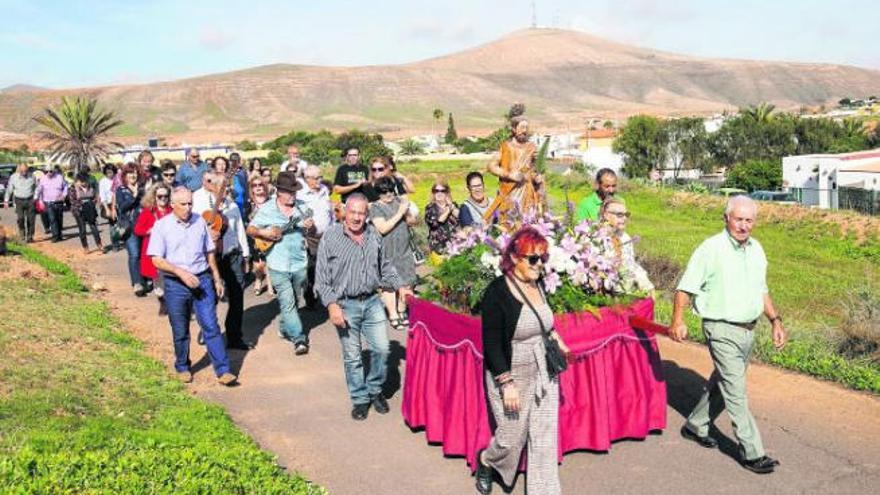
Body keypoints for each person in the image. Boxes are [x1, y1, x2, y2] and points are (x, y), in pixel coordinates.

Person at [670, 195, 787, 475]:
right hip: (720, 328)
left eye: (749, 220)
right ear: (726, 218)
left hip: (748, 330)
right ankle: (753, 453)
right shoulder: (711, 249)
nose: (743, 226)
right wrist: (677, 320)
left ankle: (696, 425)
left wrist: (775, 320)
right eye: (738, 219)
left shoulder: (757, 249)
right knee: (736, 391)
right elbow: (685, 288)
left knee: (724, 383)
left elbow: (762, 290)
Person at [475, 226, 569, 495]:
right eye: (533, 259)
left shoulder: (537, 284)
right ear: (515, 258)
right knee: (511, 436)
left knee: (544, 434)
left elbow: (544, 322)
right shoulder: (497, 292)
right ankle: (487, 460)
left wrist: (556, 338)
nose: (539, 265)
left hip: (543, 368)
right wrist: (507, 383)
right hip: (511, 371)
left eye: (543, 258)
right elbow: (492, 344)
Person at [315, 193, 412, 420]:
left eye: (361, 213)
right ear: (344, 213)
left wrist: (401, 287)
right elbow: (321, 279)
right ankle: (359, 399)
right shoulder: (330, 237)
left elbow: (385, 266)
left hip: (371, 301)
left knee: (381, 349)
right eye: (353, 212)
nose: (357, 218)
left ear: (366, 214)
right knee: (353, 356)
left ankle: (374, 390)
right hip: (344, 304)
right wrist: (331, 305)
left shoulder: (373, 235)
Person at [148, 186, 237, 386]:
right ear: (172, 205)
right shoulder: (162, 226)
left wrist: (216, 277)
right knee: (180, 329)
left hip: (202, 279)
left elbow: (209, 252)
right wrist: (180, 273)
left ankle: (223, 370)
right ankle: (182, 366)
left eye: (190, 203)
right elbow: (156, 259)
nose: (188, 208)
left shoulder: (199, 222)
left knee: (211, 325)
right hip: (176, 283)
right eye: (183, 204)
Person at [247, 172, 313, 355]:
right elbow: (250, 229)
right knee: (288, 300)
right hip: (278, 264)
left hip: (299, 261)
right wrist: (265, 234)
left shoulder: (302, 207)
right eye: (289, 192)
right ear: (279, 191)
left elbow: (311, 229)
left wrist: (310, 225)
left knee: (295, 299)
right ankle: (299, 339)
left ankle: (284, 328)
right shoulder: (267, 209)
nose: (293, 195)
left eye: (295, 191)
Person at [194, 171, 253, 350]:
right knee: (210, 297)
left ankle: (234, 336)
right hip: (211, 257)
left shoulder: (232, 206)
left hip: (232, 254)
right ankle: (208, 330)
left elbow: (239, 230)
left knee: (237, 294)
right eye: (218, 185)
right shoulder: (198, 204)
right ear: (209, 185)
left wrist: (245, 254)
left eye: (224, 186)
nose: (222, 189)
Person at [484, 103, 545, 225]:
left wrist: (537, 178)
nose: (524, 131)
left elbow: (532, 171)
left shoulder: (531, 148)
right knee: (509, 226)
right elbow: (491, 166)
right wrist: (509, 175)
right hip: (510, 193)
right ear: (513, 129)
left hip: (527, 195)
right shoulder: (506, 147)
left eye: (526, 128)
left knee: (528, 225)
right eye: (522, 127)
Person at [369, 177, 417, 330]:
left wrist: (408, 212)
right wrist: (400, 213)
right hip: (387, 251)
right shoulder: (376, 207)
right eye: (384, 192)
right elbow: (382, 228)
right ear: (378, 193)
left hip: (404, 248)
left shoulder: (399, 202)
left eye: (391, 190)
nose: (389, 194)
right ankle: (393, 314)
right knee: (389, 285)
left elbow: (411, 221)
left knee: (407, 280)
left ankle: (402, 310)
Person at [134, 184, 174, 315]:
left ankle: (174, 303)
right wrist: (149, 231)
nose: (163, 199)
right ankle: (162, 301)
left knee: (171, 275)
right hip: (154, 249)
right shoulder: (148, 212)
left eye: (166, 196)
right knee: (158, 277)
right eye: (160, 196)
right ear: (154, 197)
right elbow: (137, 230)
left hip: (171, 249)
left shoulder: (173, 211)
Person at [600, 198, 654, 293]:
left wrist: (646, 284)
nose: (624, 218)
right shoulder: (596, 236)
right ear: (606, 215)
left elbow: (630, 264)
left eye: (626, 215)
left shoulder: (625, 237)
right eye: (619, 215)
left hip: (623, 288)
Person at [299, 165, 334, 308]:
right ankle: (309, 295)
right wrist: (303, 225)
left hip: (326, 235)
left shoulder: (325, 190)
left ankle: (328, 296)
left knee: (328, 266)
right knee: (311, 268)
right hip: (310, 236)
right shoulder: (300, 194)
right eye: (317, 178)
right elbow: (296, 214)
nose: (320, 180)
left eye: (321, 176)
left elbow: (328, 210)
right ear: (307, 179)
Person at [116, 163, 147, 296]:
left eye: (135, 172)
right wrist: (134, 196)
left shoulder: (143, 190)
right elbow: (122, 207)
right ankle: (137, 283)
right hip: (130, 227)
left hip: (144, 226)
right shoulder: (121, 190)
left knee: (144, 254)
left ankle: (145, 278)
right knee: (134, 254)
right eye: (130, 173)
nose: (133, 175)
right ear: (125, 175)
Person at [247, 176, 274, 296]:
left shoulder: (272, 202)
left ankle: (270, 284)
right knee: (258, 263)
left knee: (269, 261)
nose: (258, 187)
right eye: (254, 185)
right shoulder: (249, 204)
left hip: (269, 235)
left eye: (260, 184)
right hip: (254, 236)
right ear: (251, 189)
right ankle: (258, 280)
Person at [68, 172, 103, 254]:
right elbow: (72, 201)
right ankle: (85, 247)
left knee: (94, 227)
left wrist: (91, 203)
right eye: (81, 181)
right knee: (82, 230)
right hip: (79, 211)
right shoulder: (72, 189)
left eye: (85, 181)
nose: (84, 183)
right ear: (77, 181)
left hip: (90, 210)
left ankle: (99, 244)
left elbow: (94, 198)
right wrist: (82, 203)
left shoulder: (90, 187)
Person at [4, 163, 37, 242]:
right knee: (20, 218)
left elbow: (36, 187)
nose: (24, 173)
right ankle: (22, 235)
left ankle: (30, 236)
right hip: (19, 200)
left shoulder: (32, 177)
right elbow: (9, 189)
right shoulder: (13, 177)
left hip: (30, 200)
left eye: (25, 171)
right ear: (19, 170)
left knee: (31, 219)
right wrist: (6, 201)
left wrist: (36, 197)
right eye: (22, 171)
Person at [424, 180, 459, 254]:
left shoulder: (453, 205)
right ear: (433, 193)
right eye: (436, 191)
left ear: (447, 193)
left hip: (456, 245)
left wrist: (450, 205)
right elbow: (438, 222)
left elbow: (459, 216)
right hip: (438, 248)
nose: (439, 193)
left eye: (442, 191)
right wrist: (449, 209)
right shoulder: (430, 208)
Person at [36, 165, 68, 242]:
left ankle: (59, 235)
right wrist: (40, 201)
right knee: (52, 219)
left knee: (59, 219)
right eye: (46, 171)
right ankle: (55, 236)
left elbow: (66, 186)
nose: (49, 173)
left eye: (50, 171)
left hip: (59, 202)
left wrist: (64, 195)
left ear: (54, 171)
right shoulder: (42, 179)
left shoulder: (59, 177)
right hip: (48, 202)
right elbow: (39, 191)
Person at [229, 152, 249, 218]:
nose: (234, 162)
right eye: (232, 160)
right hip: (231, 201)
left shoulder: (243, 172)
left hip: (242, 200)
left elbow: (246, 186)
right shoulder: (227, 172)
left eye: (236, 160)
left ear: (239, 161)